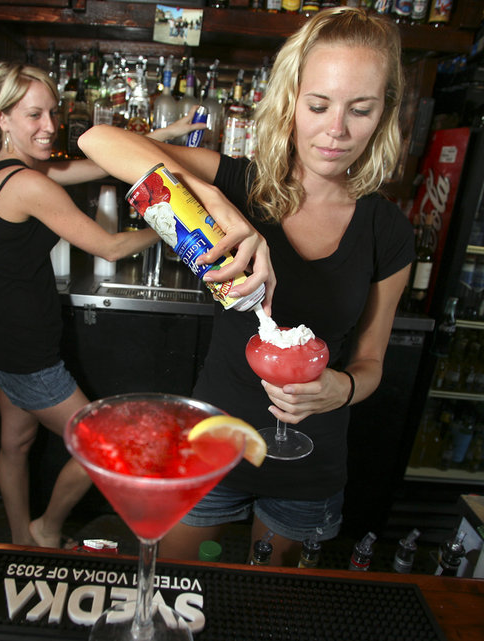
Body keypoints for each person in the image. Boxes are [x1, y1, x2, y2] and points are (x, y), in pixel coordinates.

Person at [78, 6, 415, 565]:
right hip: (217, 443)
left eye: (360, 109)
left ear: (384, 114)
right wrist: (211, 199)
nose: (336, 130)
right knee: (180, 590)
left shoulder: (388, 231)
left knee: (268, 601)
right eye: (318, 105)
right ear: (291, 101)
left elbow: (373, 361)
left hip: (310, 462)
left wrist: (342, 389)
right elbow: (97, 139)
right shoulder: (239, 183)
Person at [0, 62, 257, 547]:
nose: (50, 127)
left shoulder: (4, 169)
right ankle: (47, 530)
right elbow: (109, 247)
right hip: (29, 354)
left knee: (16, 444)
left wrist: (168, 135)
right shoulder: (30, 184)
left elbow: (100, 163)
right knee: (103, 448)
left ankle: (18, 544)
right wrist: (173, 228)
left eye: (53, 113)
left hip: (6, 342)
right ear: (2, 117)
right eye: (35, 115)